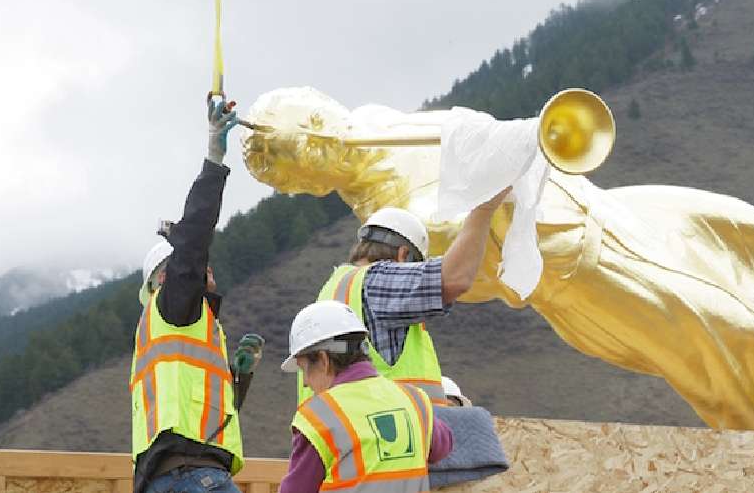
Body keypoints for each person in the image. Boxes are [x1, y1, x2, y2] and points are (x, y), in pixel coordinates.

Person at [242, 89, 754, 433]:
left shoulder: (375, 125)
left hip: (587, 202)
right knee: (713, 325)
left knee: (746, 230)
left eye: (315, 131)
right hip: (572, 269)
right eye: (303, 160)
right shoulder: (378, 204)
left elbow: (465, 136)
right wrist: (477, 203)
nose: (323, 148)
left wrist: (495, 143)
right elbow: (464, 275)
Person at [129, 96, 246, 493]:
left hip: (167, 479)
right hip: (194, 479)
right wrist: (214, 158)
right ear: (166, 277)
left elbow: (202, 419)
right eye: (193, 269)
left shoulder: (175, 330)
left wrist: (239, 378)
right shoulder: (174, 305)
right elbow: (195, 238)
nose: (204, 271)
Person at [305, 192, 509, 406]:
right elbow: (453, 279)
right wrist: (484, 209)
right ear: (403, 255)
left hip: (350, 433)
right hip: (385, 436)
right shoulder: (375, 283)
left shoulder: (336, 290)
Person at [280, 300, 453, 493]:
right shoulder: (414, 399)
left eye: (304, 369)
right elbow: (442, 447)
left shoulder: (318, 417)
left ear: (323, 360)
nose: (305, 382)